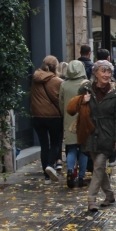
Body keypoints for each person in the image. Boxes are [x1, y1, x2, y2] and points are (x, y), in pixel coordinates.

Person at [76, 61, 116, 211]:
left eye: (109, 72)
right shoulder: (86, 88)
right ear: (95, 72)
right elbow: (75, 107)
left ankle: (91, 199)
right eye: (103, 71)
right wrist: (82, 101)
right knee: (99, 166)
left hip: (107, 133)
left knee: (99, 165)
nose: (106, 75)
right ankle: (109, 195)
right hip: (90, 132)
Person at [31, 56, 64, 184]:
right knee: (55, 143)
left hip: (37, 117)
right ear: (55, 67)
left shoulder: (35, 78)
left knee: (44, 145)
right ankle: (51, 165)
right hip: (54, 117)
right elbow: (60, 100)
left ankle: (46, 177)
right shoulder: (58, 81)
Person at [59, 61, 89, 188]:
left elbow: (61, 104)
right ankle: (81, 177)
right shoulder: (86, 84)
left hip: (69, 119)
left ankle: (70, 170)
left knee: (71, 149)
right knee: (83, 150)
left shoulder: (64, 85)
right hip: (83, 120)